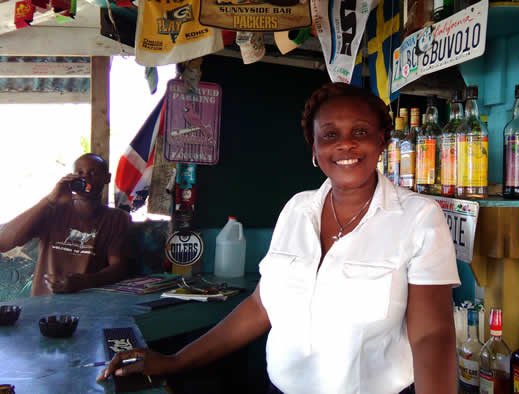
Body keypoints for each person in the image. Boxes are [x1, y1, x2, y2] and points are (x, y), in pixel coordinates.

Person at [100, 83, 460, 393]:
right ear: (315, 150)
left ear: (382, 142)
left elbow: (432, 336)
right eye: (330, 135)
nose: (346, 145)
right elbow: (261, 306)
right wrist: (175, 361)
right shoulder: (296, 210)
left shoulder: (419, 218)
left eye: (361, 132)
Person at [0, 153, 130, 296]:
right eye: (79, 173)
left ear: (107, 178)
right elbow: (3, 242)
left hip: (87, 304)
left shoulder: (115, 218)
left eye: (92, 173)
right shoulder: (53, 210)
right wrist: (50, 199)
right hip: (43, 305)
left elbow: (119, 267)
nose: (85, 177)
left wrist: (85, 281)